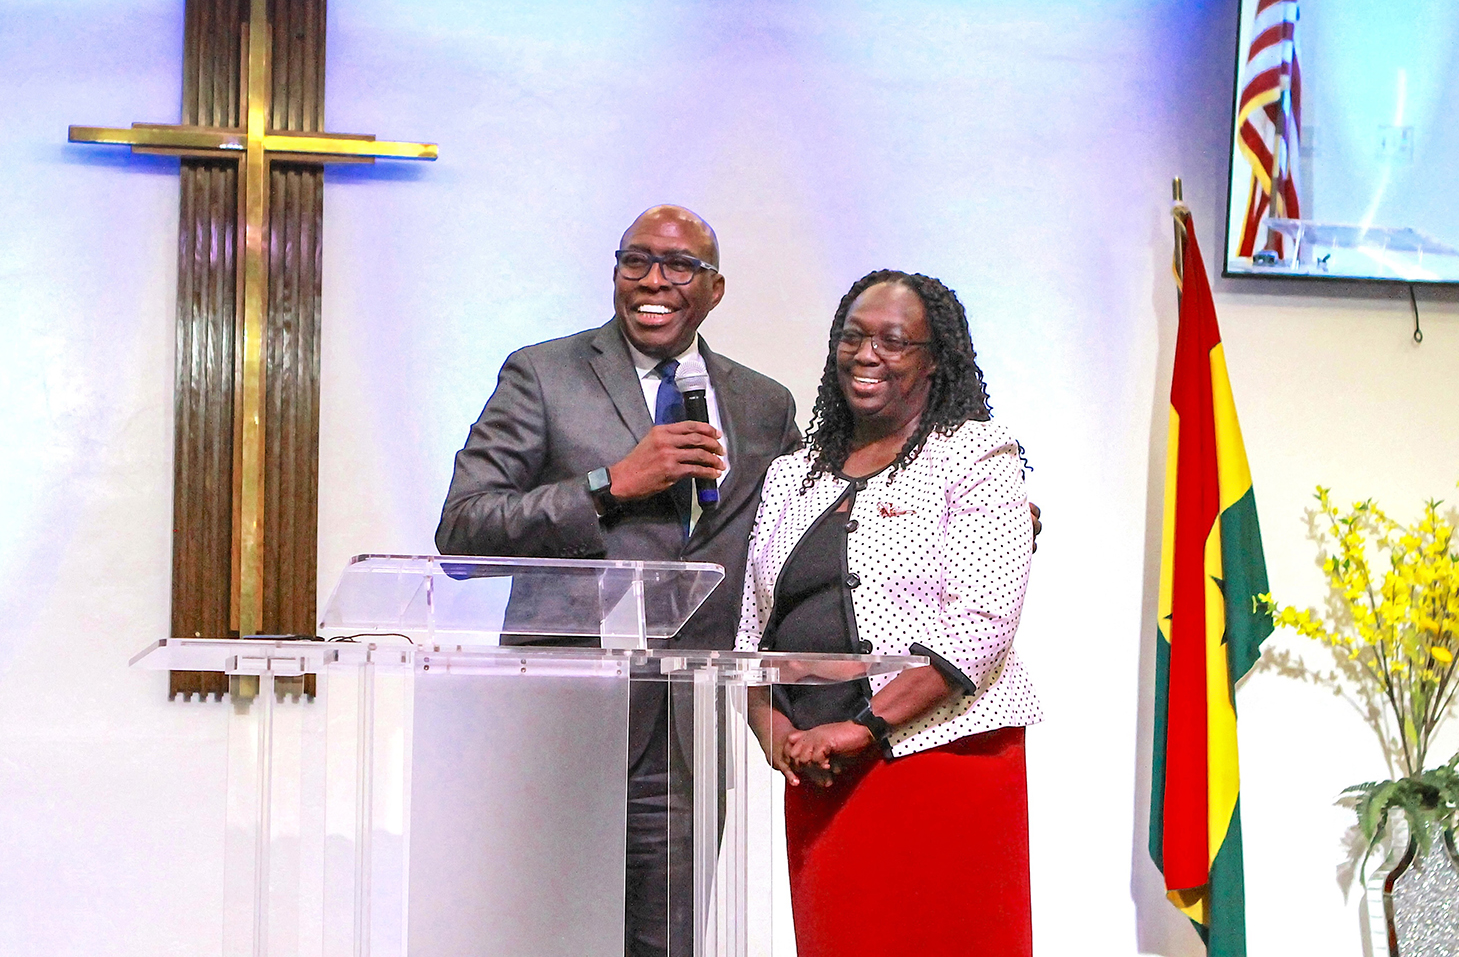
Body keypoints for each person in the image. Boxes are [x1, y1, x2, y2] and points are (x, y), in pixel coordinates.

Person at [436, 204, 802, 957]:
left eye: (677, 266)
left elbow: (804, 527)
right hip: (565, 713)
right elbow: (464, 528)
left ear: (715, 289)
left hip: (689, 718)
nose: (652, 281)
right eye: (635, 261)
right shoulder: (543, 373)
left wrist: (966, 509)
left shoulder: (763, 404)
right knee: (545, 928)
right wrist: (610, 483)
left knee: (667, 937)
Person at [737, 270, 1041, 957]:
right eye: (852, 336)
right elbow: (752, 624)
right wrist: (773, 726)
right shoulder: (793, 472)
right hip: (820, 770)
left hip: (941, 758)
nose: (865, 353)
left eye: (893, 341)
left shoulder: (975, 454)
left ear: (934, 359)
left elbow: (982, 622)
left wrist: (866, 726)